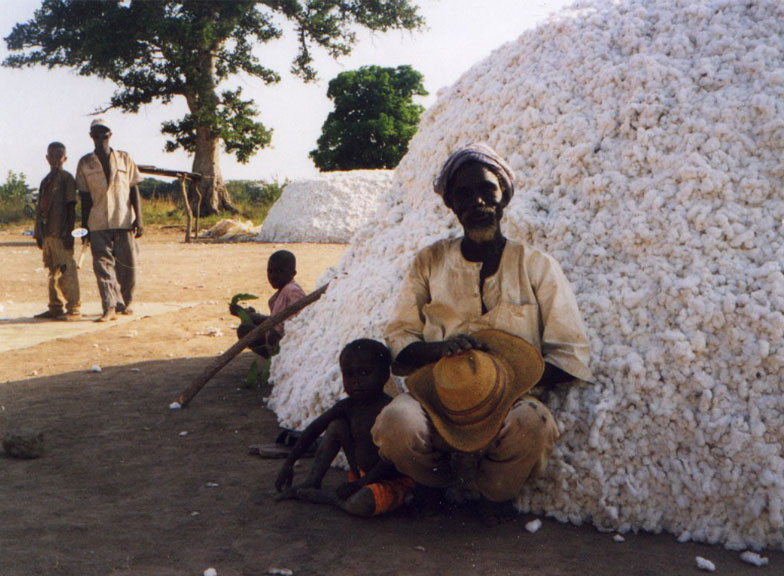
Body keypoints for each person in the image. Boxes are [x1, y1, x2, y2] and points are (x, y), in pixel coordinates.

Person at [371, 143, 593, 509]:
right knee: (396, 423)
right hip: (440, 395)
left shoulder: (536, 265)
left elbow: (571, 354)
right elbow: (400, 335)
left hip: (511, 398)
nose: (477, 202)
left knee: (534, 425)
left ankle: (493, 494)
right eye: (463, 194)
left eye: (487, 190)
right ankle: (434, 481)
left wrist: (503, 380)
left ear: (503, 195)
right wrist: (438, 351)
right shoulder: (429, 262)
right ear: (451, 205)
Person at [275, 339, 415, 517]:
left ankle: (329, 498)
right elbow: (314, 429)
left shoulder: (390, 411)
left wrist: (360, 484)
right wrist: (288, 464)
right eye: (349, 375)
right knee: (336, 425)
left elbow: (391, 459)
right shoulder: (348, 405)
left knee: (361, 503)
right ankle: (312, 480)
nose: (355, 381)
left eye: (364, 373)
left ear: (384, 375)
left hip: (390, 481)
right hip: (361, 475)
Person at [76, 118, 143, 322]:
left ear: (110, 135)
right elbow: (85, 197)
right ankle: (109, 306)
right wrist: (84, 226)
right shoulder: (85, 163)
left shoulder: (124, 158)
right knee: (103, 267)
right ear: (91, 137)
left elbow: (134, 189)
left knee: (128, 267)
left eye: (104, 134)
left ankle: (125, 302)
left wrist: (139, 218)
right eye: (96, 135)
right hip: (97, 222)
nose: (100, 138)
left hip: (123, 220)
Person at [33, 142, 81, 321]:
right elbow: (41, 209)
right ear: (47, 158)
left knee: (67, 269)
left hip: (61, 233)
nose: (55, 160)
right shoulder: (45, 181)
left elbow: (71, 207)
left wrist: (69, 233)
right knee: (52, 271)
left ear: (64, 159)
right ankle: (55, 306)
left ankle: (74, 307)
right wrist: (39, 234)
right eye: (51, 156)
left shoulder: (67, 179)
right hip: (47, 234)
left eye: (58, 157)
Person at [229, 250, 306, 358]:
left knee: (245, 329)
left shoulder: (293, 291)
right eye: (270, 271)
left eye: (279, 271)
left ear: (293, 273)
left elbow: (298, 320)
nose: (273, 276)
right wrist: (244, 313)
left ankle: (275, 359)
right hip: (274, 333)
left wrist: (275, 333)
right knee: (251, 321)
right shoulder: (281, 293)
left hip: (283, 342)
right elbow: (274, 319)